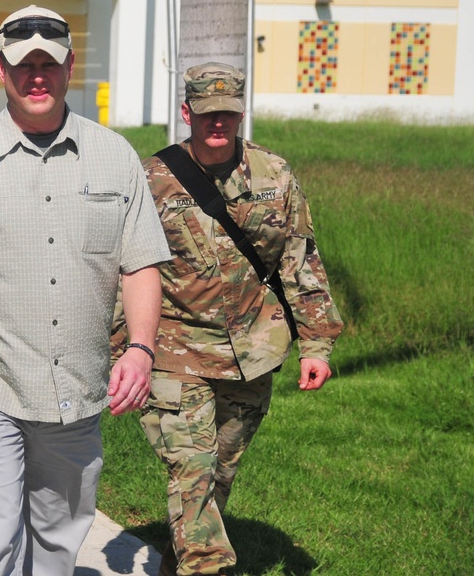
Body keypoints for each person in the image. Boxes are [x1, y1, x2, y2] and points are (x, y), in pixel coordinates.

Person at [0, 5, 170, 576]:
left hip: (75, 386)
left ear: (71, 66)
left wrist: (141, 349)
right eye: (25, 65)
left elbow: (142, 263)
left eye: (50, 63)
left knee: (58, 537)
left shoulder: (115, 157)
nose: (37, 76)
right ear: (2, 68)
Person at [138, 63, 344, 576]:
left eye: (228, 113)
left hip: (252, 351)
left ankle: (179, 561)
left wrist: (316, 345)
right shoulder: (151, 179)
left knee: (219, 472)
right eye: (207, 113)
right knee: (193, 467)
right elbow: (126, 269)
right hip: (174, 349)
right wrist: (126, 350)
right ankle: (210, 566)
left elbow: (300, 258)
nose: (218, 123)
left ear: (241, 111)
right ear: (187, 112)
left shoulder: (275, 175)